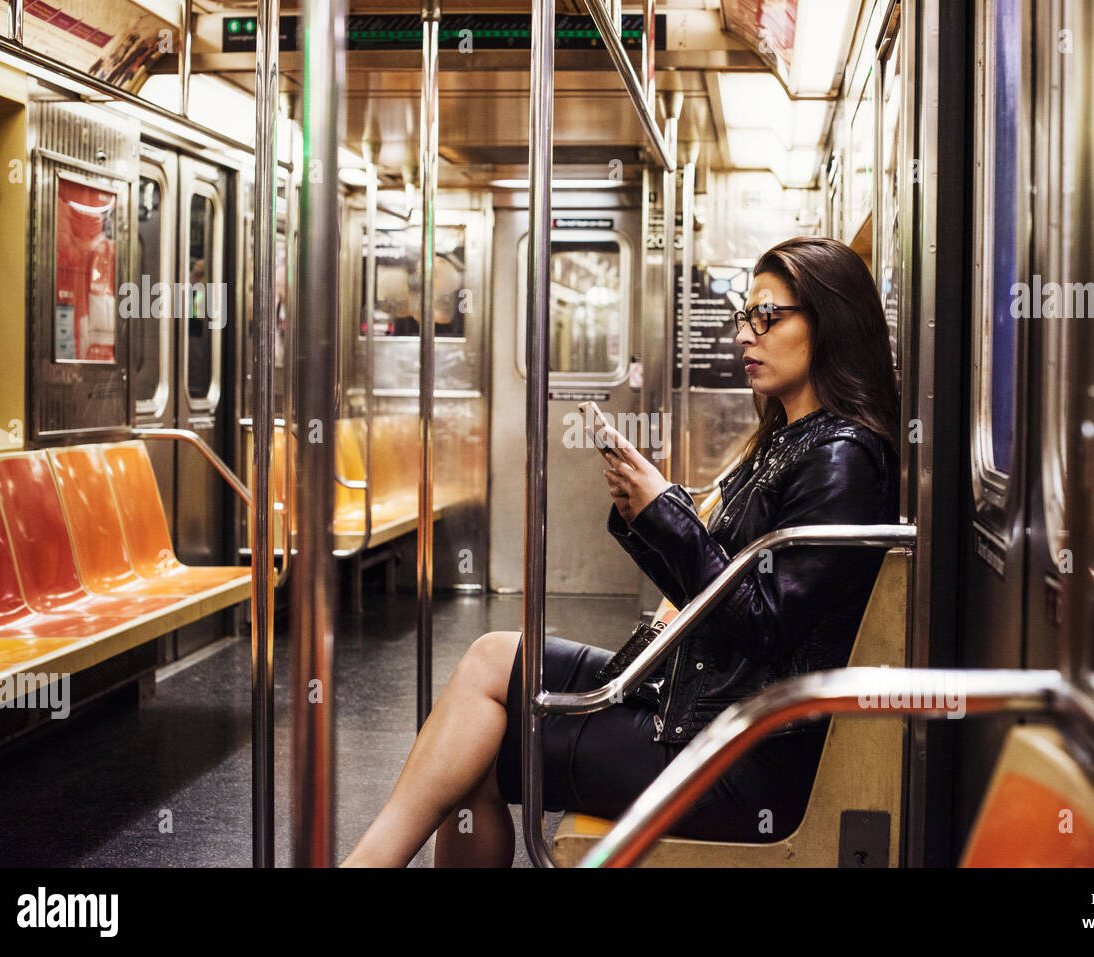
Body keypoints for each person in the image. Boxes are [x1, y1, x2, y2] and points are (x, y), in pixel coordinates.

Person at [343, 237, 900, 867]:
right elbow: (714, 595)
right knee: (490, 656)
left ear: (830, 323)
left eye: (767, 316)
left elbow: (763, 625)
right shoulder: (788, 440)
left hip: (738, 752)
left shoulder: (839, 460)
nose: (746, 335)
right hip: (698, 697)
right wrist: (648, 512)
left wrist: (666, 511)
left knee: (477, 754)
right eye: (745, 316)